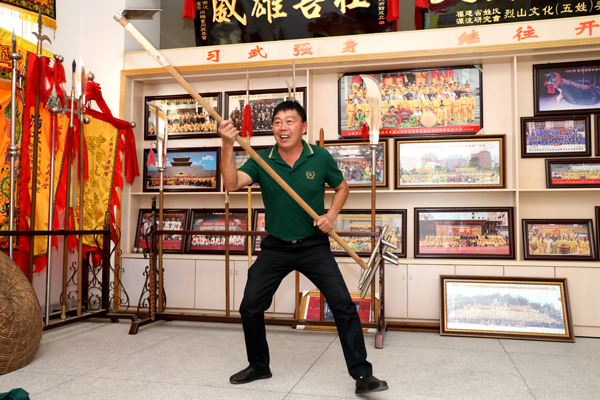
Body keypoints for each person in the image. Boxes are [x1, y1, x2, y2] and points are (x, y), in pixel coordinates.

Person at [218, 101, 388, 395]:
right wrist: (226, 144)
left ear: (303, 126)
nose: (283, 127)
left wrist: (331, 215)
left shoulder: (319, 157)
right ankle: (259, 365)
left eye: (290, 121)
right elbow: (232, 183)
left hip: (313, 246)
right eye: (277, 122)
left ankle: (363, 374)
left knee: (343, 305)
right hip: (275, 247)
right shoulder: (262, 159)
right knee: (250, 307)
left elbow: (342, 187)